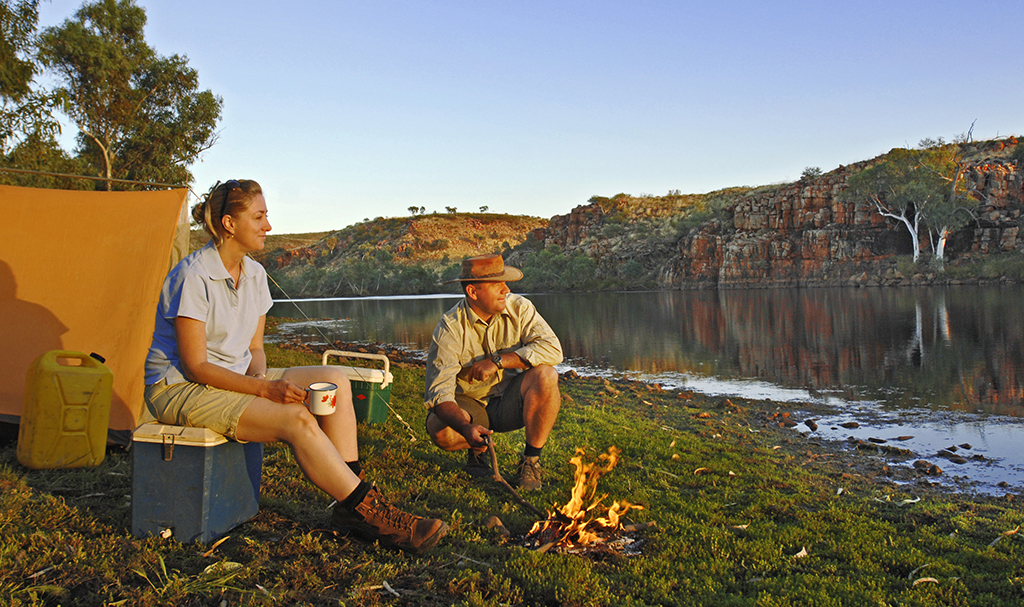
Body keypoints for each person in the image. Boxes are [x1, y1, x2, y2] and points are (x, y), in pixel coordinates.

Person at [143, 179, 447, 553]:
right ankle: (371, 511)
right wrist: (264, 391)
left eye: (266, 215)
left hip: (233, 377)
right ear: (228, 224)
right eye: (258, 216)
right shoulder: (194, 275)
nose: (268, 226)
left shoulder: (254, 274)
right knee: (296, 419)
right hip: (179, 388)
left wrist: (257, 376)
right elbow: (196, 366)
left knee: (334, 379)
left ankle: (348, 500)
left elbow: (255, 348)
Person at [424, 254, 563, 491]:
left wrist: (498, 361)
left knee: (547, 375)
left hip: (510, 400)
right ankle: (477, 449)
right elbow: (439, 392)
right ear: (473, 292)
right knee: (440, 430)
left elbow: (553, 350)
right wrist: (466, 428)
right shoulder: (450, 326)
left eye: (505, 282)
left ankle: (530, 461)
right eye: (497, 284)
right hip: (470, 405)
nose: (506, 289)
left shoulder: (520, 308)